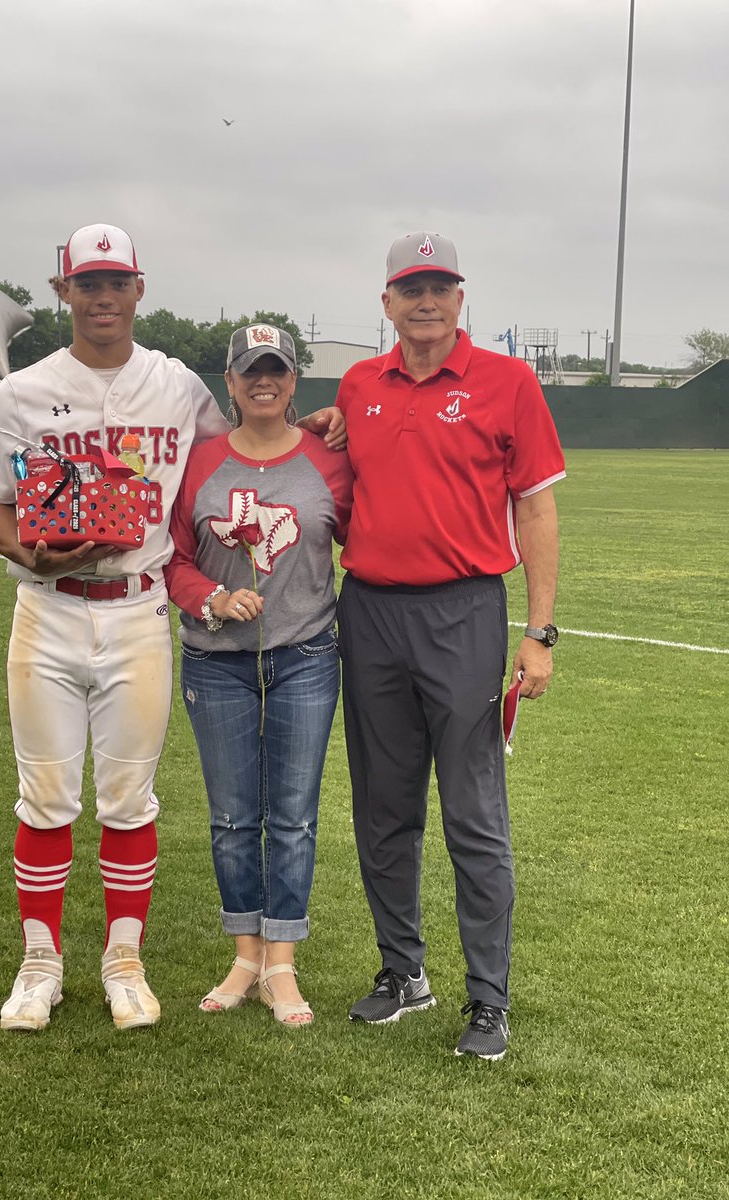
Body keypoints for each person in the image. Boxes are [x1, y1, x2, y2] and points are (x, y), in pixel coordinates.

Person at [0, 225, 343, 1033]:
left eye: (115, 281)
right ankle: (39, 965)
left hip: (139, 610)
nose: (102, 297)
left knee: (129, 800)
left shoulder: (176, 385)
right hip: (48, 610)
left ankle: (123, 963)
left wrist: (313, 423)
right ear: (63, 291)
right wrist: (29, 551)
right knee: (46, 797)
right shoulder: (20, 392)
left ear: (139, 289)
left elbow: (242, 445)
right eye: (87, 282)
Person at [337, 231, 565, 1059]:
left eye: (441, 287)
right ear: (388, 302)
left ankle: (488, 1000)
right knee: (383, 807)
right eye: (411, 288)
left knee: (473, 813)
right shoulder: (359, 385)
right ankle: (403, 972)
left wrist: (538, 632)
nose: (426, 301)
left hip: (463, 613)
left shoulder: (509, 381)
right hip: (369, 613)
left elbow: (535, 508)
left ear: (461, 298)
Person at [164, 324, 353, 1027]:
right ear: (231, 382)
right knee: (232, 816)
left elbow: (366, 535)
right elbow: (174, 557)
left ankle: (282, 963)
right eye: (251, 371)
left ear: (294, 380)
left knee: (294, 815)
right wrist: (212, 599)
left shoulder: (329, 459)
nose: (264, 381)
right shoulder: (201, 462)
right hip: (217, 662)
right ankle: (246, 955)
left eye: (276, 369)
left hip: (305, 656)